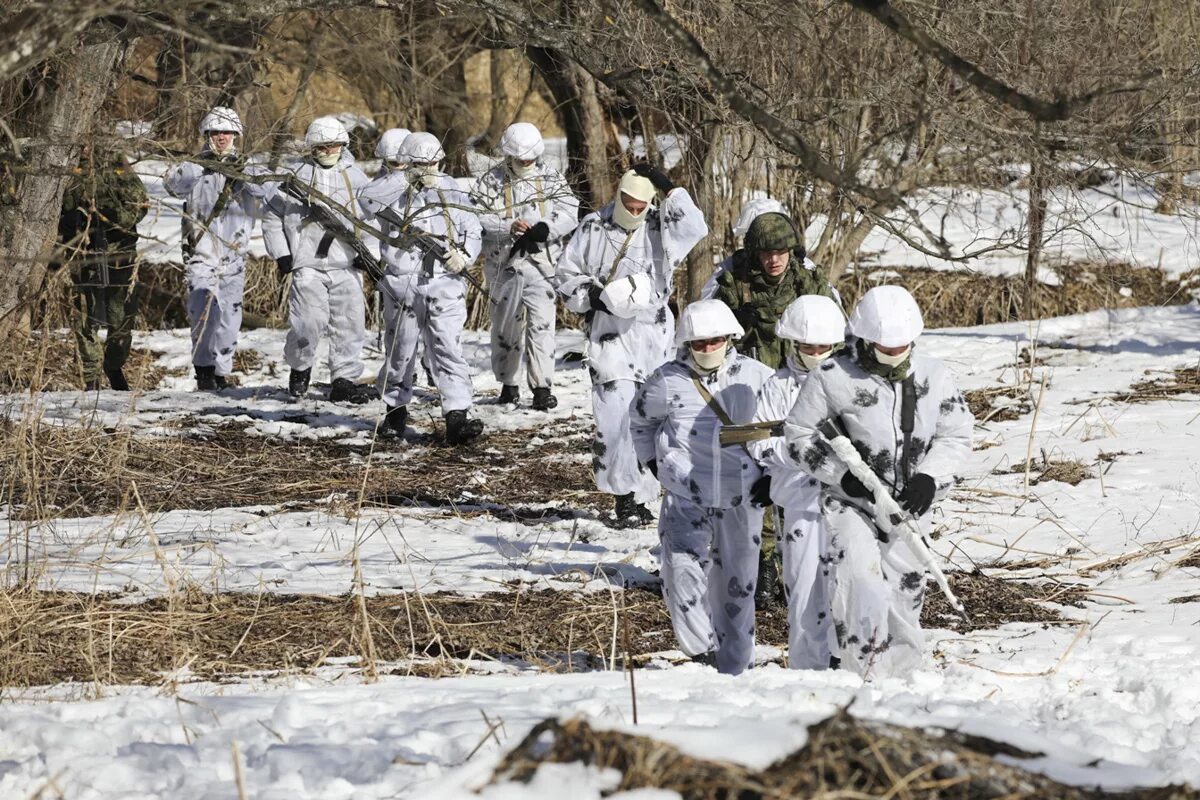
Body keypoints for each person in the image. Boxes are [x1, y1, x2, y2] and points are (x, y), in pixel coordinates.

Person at [784, 285, 973, 678]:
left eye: (902, 346)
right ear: (866, 340)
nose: (894, 354)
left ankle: (902, 680)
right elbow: (799, 435)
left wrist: (929, 479)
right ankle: (864, 679)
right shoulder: (831, 376)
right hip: (850, 502)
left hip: (908, 503)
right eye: (885, 349)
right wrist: (842, 476)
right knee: (861, 583)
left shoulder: (934, 376)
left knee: (904, 595)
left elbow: (956, 434)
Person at [557, 163, 708, 527]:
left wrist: (667, 185)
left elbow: (696, 227)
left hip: (653, 336)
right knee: (614, 418)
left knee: (650, 418)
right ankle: (623, 496)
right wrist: (593, 297)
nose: (636, 211)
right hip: (610, 336)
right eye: (629, 203)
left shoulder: (661, 226)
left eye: (642, 205)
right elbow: (566, 275)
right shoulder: (595, 227)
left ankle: (644, 495)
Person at [629, 299, 774, 674]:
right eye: (698, 343)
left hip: (742, 495)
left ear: (729, 337)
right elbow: (641, 421)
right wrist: (654, 463)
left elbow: (779, 429)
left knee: (738, 585)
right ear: (686, 344)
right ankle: (701, 653)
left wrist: (773, 476)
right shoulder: (666, 380)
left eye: (714, 340)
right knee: (680, 568)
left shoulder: (757, 377)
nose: (707, 348)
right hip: (685, 496)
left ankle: (737, 665)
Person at [708, 210, 837, 609]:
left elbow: (835, 323)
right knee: (755, 470)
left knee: (802, 467)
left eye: (781, 251)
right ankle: (763, 563)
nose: (774, 260)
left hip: (801, 376)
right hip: (750, 380)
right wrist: (733, 321)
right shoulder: (732, 278)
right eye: (766, 252)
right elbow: (704, 331)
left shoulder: (809, 278)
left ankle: (803, 560)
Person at [747, 294, 846, 670]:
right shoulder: (778, 386)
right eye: (808, 346)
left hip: (847, 503)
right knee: (804, 591)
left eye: (823, 346)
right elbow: (760, 443)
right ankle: (808, 668)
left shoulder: (853, 383)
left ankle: (848, 662)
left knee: (849, 585)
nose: (815, 352)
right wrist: (804, 456)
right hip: (800, 507)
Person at [368, 132, 484, 444]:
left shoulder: (452, 190)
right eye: (421, 164)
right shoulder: (391, 190)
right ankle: (395, 411)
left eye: (434, 163)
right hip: (403, 282)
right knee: (401, 349)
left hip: (445, 283)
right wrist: (405, 180)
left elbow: (473, 228)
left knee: (447, 347)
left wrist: (465, 255)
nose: (429, 169)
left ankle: (457, 415)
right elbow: (366, 202)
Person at [262, 115, 375, 403]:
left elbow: (373, 220)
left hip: (346, 264)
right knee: (307, 323)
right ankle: (300, 368)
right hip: (308, 265)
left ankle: (344, 380)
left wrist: (369, 254)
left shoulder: (356, 178)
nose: (329, 152)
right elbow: (272, 216)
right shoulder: (294, 177)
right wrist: (283, 253)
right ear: (312, 148)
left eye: (335, 146)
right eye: (323, 147)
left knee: (350, 324)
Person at [470, 122, 579, 410]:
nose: (525, 163)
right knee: (506, 327)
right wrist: (508, 227)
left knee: (543, 326)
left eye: (529, 159)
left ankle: (542, 387)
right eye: (520, 159)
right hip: (504, 266)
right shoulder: (490, 182)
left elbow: (570, 211)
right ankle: (508, 383)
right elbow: (476, 216)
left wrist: (547, 229)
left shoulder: (552, 180)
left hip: (541, 266)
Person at [164, 106, 263, 391]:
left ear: (236, 135)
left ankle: (221, 371)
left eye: (227, 132)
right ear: (207, 134)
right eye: (216, 132)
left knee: (230, 318)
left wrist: (244, 174)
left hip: (234, 254)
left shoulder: (247, 166)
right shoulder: (193, 167)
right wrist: (200, 167)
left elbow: (266, 193)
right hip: (201, 252)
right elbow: (173, 185)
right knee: (202, 311)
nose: (222, 137)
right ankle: (204, 369)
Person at [58, 143, 148, 391]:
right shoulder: (63, 164)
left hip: (119, 254)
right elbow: (46, 209)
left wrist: (112, 216)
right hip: (81, 253)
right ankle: (91, 377)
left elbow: (140, 205)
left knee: (121, 319)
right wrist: (69, 220)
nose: (85, 148)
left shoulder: (116, 164)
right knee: (84, 318)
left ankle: (113, 365)